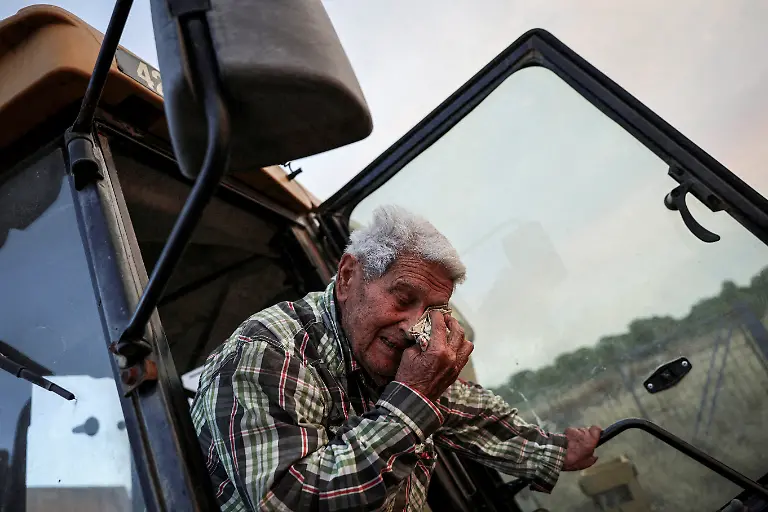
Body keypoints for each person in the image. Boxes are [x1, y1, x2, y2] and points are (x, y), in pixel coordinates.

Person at [191, 204, 602, 511]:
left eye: (432, 310)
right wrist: (411, 401)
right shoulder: (266, 354)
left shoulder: (384, 351)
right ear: (349, 275)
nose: (413, 326)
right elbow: (289, 500)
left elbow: (468, 412)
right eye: (403, 299)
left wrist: (554, 451)